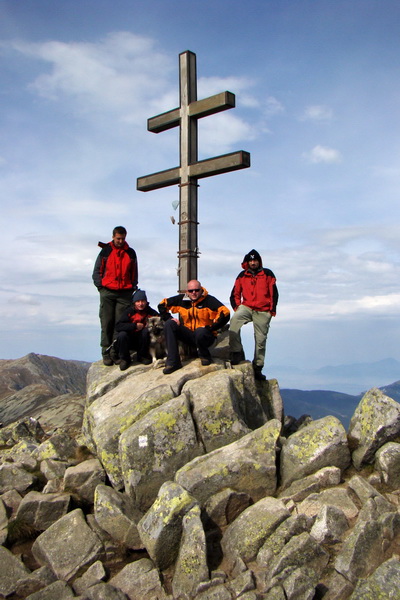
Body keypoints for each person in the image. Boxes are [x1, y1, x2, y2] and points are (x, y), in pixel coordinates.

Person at [158, 280, 230, 375]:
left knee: (200, 331)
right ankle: (173, 362)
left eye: (196, 290)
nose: (194, 293)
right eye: (191, 291)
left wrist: (211, 328)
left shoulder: (209, 300)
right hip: (189, 335)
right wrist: (169, 318)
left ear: (201, 290)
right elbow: (162, 304)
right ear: (187, 292)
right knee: (169, 324)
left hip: (205, 336)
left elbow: (225, 313)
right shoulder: (182, 300)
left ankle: (205, 355)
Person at [229, 249, 278, 381]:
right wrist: (238, 308)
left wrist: (271, 312)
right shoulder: (242, 275)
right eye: (250, 260)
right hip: (247, 307)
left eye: (255, 260)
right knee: (233, 324)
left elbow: (274, 293)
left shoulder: (267, 274)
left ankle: (258, 367)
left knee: (260, 340)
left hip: (263, 310)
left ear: (259, 261)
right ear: (247, 262)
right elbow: (235, 294)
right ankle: (237, 353)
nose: (253, 262)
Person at [92, 226, 138, 365]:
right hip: (108, 292)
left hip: (124, 293)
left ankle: (115, 353)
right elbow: (97, 271)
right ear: (113, 237)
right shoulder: (105, 251)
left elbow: (134, 273)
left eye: (123, 238)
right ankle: (106, 353)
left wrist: (132, 288)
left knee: (120, 325)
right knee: (107, 323)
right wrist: (101, 287)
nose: (120, 241)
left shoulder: (130, 253)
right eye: (118, 238)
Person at [114, 289, 158, 371]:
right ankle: (125, 359)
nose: (140, 304)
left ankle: (142, 356)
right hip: (129, 340)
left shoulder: (151, 312)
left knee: (146, 332)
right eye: (138, 301)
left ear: (146, 302)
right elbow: (118, 326)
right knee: (122, 335)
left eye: (143, 301)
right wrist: (134, 326)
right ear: (134, 302)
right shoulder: (129, 312)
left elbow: (160, 321)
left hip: (143, 341)